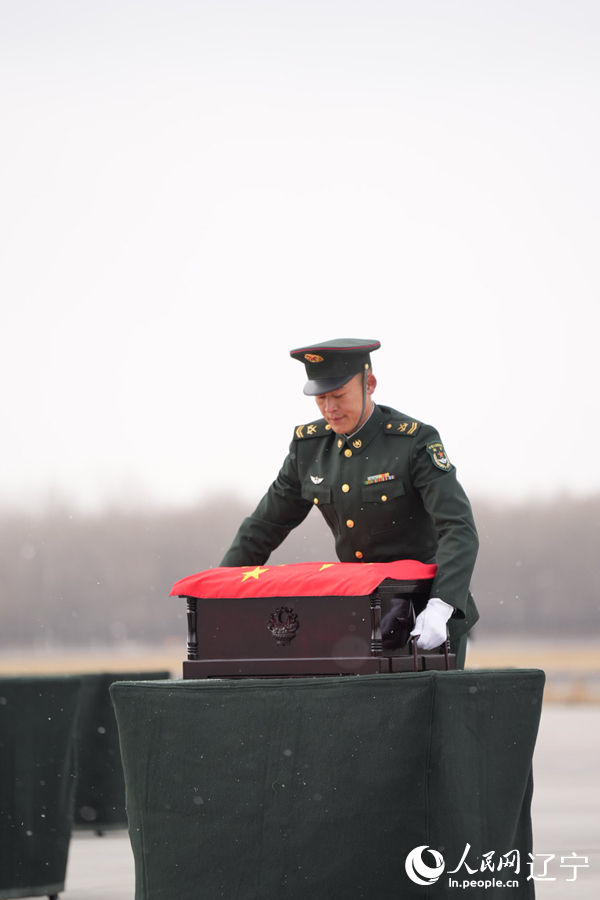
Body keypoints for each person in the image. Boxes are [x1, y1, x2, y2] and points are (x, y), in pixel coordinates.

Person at [220, 338, 479, 668]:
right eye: (321, 398)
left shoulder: (412, 441)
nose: (330, 408)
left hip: (424, 613)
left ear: (369, 384)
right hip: (360, 617)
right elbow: (263, 528)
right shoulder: (309, 449)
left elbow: (459, 529)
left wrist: (442, 603)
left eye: (339, 395)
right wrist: (218, 595)